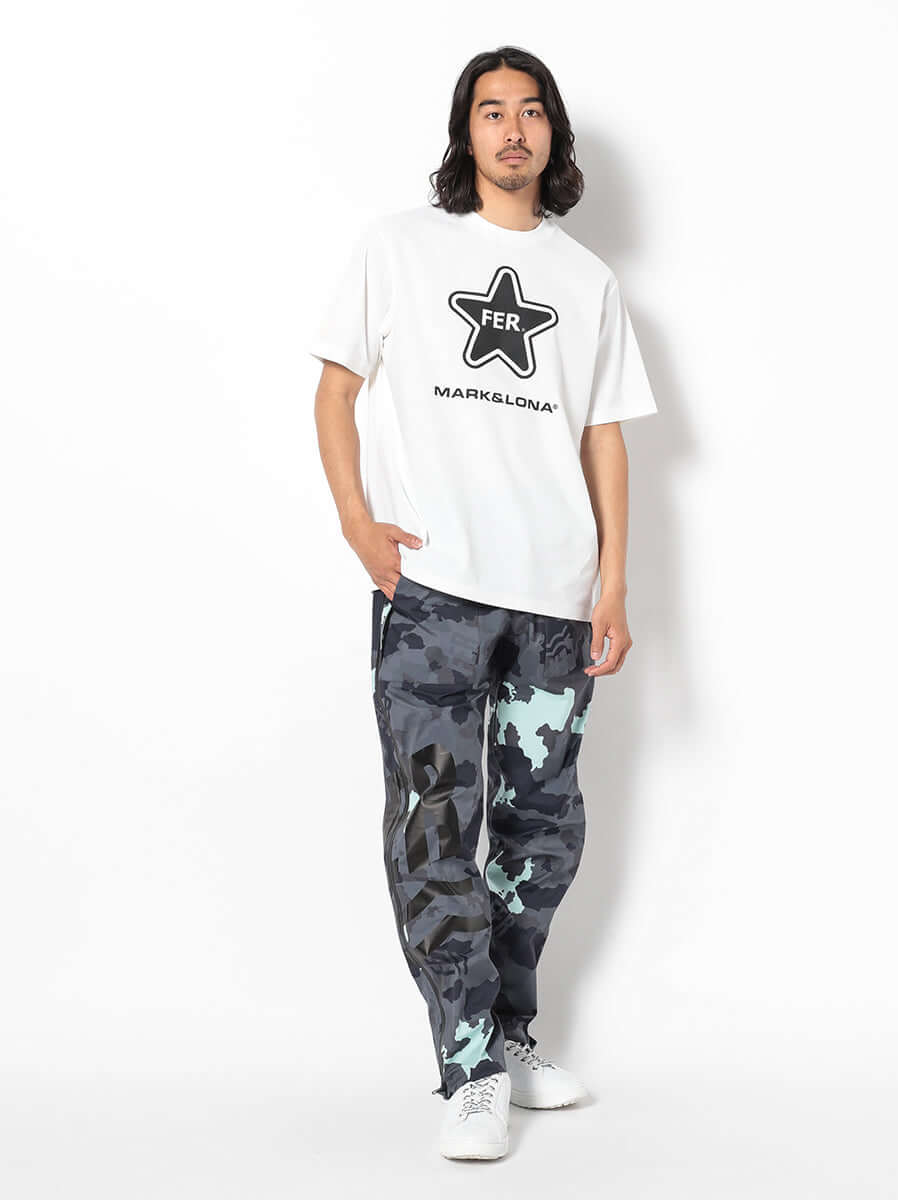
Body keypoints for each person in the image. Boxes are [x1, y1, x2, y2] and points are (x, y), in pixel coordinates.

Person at [309, 45, 658, 1161]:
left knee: (541, 833)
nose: (513, 128)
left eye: (531, 110)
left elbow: (603, 436)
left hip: (553, 599)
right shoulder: (400, 247)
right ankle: (466, 1066)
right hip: (434, 595)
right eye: (491, 110)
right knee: (433, 826)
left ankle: (506, 1034)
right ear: (466, 134)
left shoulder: (588, 282)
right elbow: (335, 388)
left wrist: (612, 579)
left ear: (553, 134)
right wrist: (357, 521)